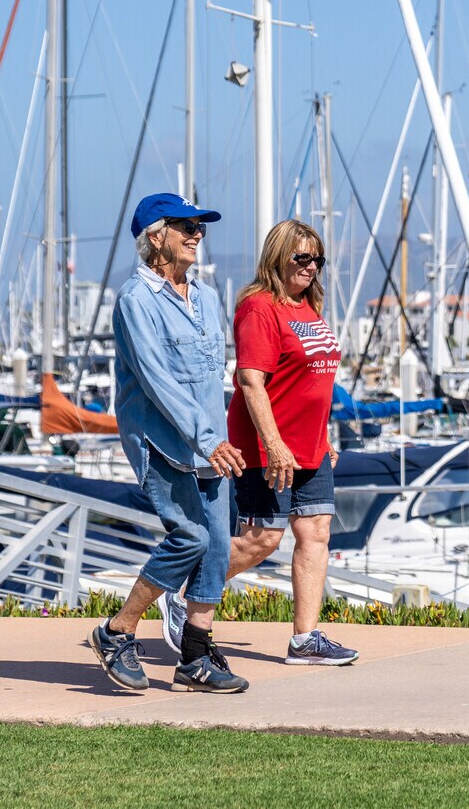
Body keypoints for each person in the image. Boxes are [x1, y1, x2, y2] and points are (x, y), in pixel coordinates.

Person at [162, 218, 358, 666]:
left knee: (316, 532)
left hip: (308, 446)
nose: (311, 267)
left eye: (317, 259)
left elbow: (314, 380)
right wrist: (274, 445)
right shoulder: (259, 307)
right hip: (268, 448)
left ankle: (305, 639)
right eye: (302, 257)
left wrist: (323, 434)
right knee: (261, 539)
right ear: (278, 256)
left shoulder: (306, 307)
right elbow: (251, 381)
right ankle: (179, 590)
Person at [86, 192, 249, 694]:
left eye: (201, 227)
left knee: (219, 545)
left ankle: (195, 657)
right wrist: (206, 438)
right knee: (191, 538)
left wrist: (226, 437)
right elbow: (158, 382)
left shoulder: (204, 296)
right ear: (155, 238)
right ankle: (116, 632)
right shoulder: (136, 302)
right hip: (164, 444)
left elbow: (212, 377)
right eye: (186, 226)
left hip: (210, 445)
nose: (197, 234)